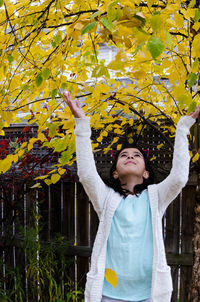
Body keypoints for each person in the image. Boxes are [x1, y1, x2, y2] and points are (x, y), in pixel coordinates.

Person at [63, 91, 200, 302]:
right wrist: (81, 124)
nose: (130, 157)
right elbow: (87, 174)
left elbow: (179, 178)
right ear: (115, 172)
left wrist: (182, 129)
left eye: (136, 155)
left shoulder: (155, 197)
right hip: (108, 294)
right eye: (124, 155)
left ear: (146, 172)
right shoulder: (106, 198)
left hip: (149, 294)